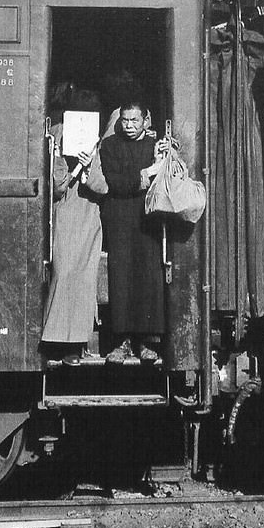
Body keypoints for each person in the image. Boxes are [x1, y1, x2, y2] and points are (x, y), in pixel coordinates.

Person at [99, 101, 170, 363]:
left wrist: (163, 156)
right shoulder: (109, 146)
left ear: (145, 120)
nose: (129, 126)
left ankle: (146, 343)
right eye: (125, 121)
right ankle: (121, 341)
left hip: (148, 219)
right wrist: (147, 172)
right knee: (121, 279)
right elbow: (115, 182)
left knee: (147, 278)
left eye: (134, 121)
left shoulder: (154, 146)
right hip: (119, 220)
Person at [42, 87, 109, 363]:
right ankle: (55, 340)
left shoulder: (101, 141)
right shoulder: (55, 134)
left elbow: (103, 186)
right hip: (64, 210)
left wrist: (90, 165)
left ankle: (75, 344)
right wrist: (71, 167)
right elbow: (56, 187)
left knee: (83, 276)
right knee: (63, 270)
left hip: (88, 213)